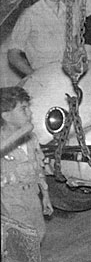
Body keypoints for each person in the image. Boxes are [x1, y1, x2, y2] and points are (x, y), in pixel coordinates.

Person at [0, 86, 53, 243]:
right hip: (10, 197)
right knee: (22, 239)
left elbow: (38, 167)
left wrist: (46, 195)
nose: (30, 113)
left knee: (38, 233)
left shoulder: (31, 138)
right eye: (23, 109)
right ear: (6, 116)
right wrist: (20, 133)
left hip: (31, 194)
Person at [7, 0, 66, 77]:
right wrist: (34, 76)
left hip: (68, 77)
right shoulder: (29, 15)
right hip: (44, 78)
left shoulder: (69, 13)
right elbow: (13, 54)